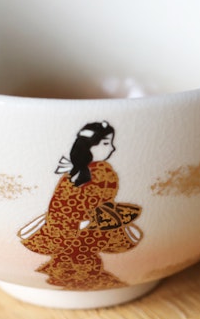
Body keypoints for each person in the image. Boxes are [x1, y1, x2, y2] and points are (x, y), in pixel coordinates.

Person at [19, 121, 142, 290]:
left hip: (90, 222)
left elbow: (103, 199)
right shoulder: (81, 171)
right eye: (106, 143)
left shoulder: (96, 171)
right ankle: (71, 275)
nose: (112, 148)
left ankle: (74, 275)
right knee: (75, 252)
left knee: (79, 251)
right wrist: (74, 221)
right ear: (89, 146)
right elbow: (60, 202)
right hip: (72, 223)